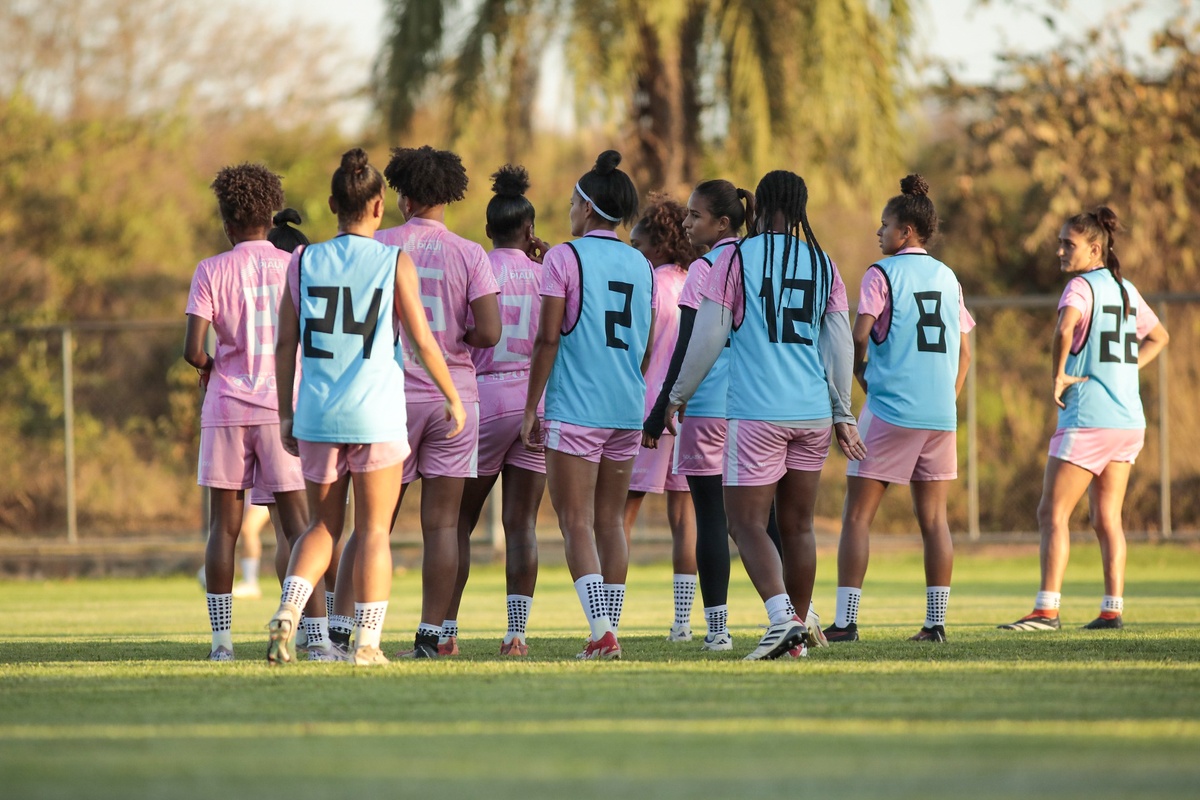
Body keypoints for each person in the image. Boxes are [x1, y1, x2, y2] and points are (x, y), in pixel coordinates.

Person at [265, 148, 465, 667]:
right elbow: (421, 339)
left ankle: (289, 611)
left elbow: (285, 344)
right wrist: (451, 396)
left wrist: (286, 413)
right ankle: (368, 645)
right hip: (374, 413)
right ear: (379, 205)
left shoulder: (303, 260)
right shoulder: (394, 259)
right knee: (374, 529)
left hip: (316, 412)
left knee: (322, 529)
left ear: (332, 203)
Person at [665, 169, 865, 661]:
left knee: (746, 522)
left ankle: (780, 619)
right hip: (814, 412)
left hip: (758, 412)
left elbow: (708, 335)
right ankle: (795, 636)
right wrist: (844, 413)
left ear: (759, 206)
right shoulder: (823, 263)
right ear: (800, 206)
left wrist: (677, 395)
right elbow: (838, 345)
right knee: (798, 527)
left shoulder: (737, 259)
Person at [329, 145, 500, 660]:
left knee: (372, 524)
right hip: (454, 398)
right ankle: (432, 636)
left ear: (400, 198)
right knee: (443, 525)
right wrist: (456, 334)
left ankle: (340, 628)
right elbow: (490, 331)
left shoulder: (380, 245)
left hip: (389, 397)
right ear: (449, 195)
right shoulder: (470, 253)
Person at [1000, 207, 1168, 632]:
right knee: (1107, 518)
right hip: (1128, 420)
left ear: (1094, 248)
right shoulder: (1125, 289)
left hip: (1089, 416)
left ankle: (1046, 610)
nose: (1059, 250)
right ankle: (1112, 609)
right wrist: (1127, 370)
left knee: (1051, 513)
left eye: (1067, 244)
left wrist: (1058, 374)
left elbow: (1064, 328)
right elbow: (1159, 336)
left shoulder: (1080, 285)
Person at [825, 175, 975, 644]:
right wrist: (946, 398)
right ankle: (935, 624)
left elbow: (857, 334)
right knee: (935, 521)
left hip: (892, 408)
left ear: (906, 231)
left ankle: (846, 622)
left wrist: (864, 380)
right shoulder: (949, 276)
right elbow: (966, 352)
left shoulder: (881, 273)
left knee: (857, 516)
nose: (879, 232)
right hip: (939, 415)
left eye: (885, 224)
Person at [522, 149, 652, 660]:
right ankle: (607, 629)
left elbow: (547, 339)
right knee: (609, 522)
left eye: (574, 202)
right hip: (625, 407)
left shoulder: (564, 257)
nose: (570, 210)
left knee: (574, 521)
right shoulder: (640, 262)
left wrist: (532, 406)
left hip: (575, 408)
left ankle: (602, 634)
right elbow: (643, 340)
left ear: (588, 206)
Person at [184, 163, 311, 662]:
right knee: (298, 527)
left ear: (228, 222)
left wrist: (212, 367)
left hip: (228, 407)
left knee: (225, 528)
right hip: (286, 407)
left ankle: (221, 644)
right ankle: (309, 634)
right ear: (269, 214)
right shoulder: (296, 264)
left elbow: (194, 349)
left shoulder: (211, 269)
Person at [445, 164, 548, 657]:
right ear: (529, 229)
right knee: (522, 523)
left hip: (485, 398)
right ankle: (516, 635)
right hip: (536, 401)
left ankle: (444, 632)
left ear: (488, 230)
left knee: (457, 524)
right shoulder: (546, 271)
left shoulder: (476, 265)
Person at [642, 179, 746, 651]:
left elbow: (687, 344)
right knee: (761, 521)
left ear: (721, 222)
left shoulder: (704, 268)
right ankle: (792, 620)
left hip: (706, 405)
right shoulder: (756, 260)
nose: (686, 224)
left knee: (708, 519)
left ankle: (718, 632)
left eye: (695, 216)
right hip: (752, 407)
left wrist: (664, 404)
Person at [624, 195, 699, 642]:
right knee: (684, 516)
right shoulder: (696, 279)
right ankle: (683, 624)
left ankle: (607, 619)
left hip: (647, 408)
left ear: (656, 245)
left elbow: (643, 347)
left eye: (636, 245)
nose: (632, 252)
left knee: (621, 513)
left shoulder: (649, 283)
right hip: (688, 411)